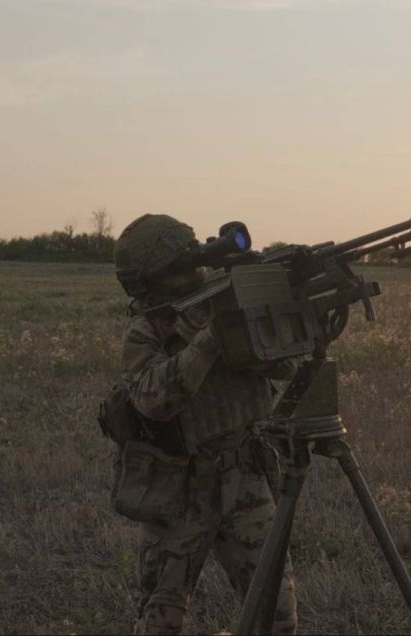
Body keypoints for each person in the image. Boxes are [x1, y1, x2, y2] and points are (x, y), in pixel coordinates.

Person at [110, 213, 298, 635]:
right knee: (162, 618)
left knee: (276, 613)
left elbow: (284, 367)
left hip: (244, 474)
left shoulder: (225, 294)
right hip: (180, 486)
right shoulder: (145, 329)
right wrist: (213, 335)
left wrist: (285, 309)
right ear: (154, 277)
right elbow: (155, 400)